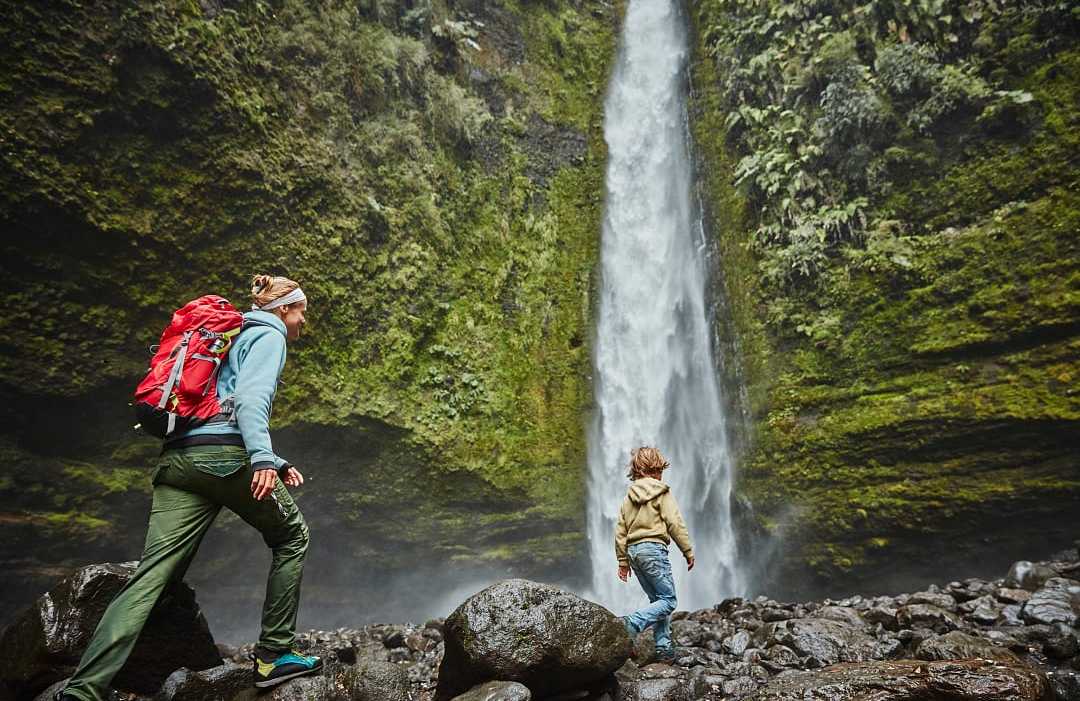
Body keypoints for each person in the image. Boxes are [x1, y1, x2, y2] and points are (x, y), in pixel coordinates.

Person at [59, 275, 320, 701]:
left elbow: (217, 404)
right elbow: (250, 401)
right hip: (224, 459)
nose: (303, 321)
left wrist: (276, 460)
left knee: (150, 577)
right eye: (301, 311)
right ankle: (274, 655)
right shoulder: (270, 336)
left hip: (179, 458)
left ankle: (83, 690)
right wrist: (258, 459)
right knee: (292, 537)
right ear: (284, 309)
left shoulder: (226, 336)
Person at [614, 446, 695, 663]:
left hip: (633, 552)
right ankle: (632, 623)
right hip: (653, 549)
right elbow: (675, 523)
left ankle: (663, 647)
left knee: (657, 600)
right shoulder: (662, 491)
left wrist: (623, 561)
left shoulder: (628, 497)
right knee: (668, 601)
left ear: (637, 471)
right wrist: (687, 550)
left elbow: (620, 531)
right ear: (658, 469)